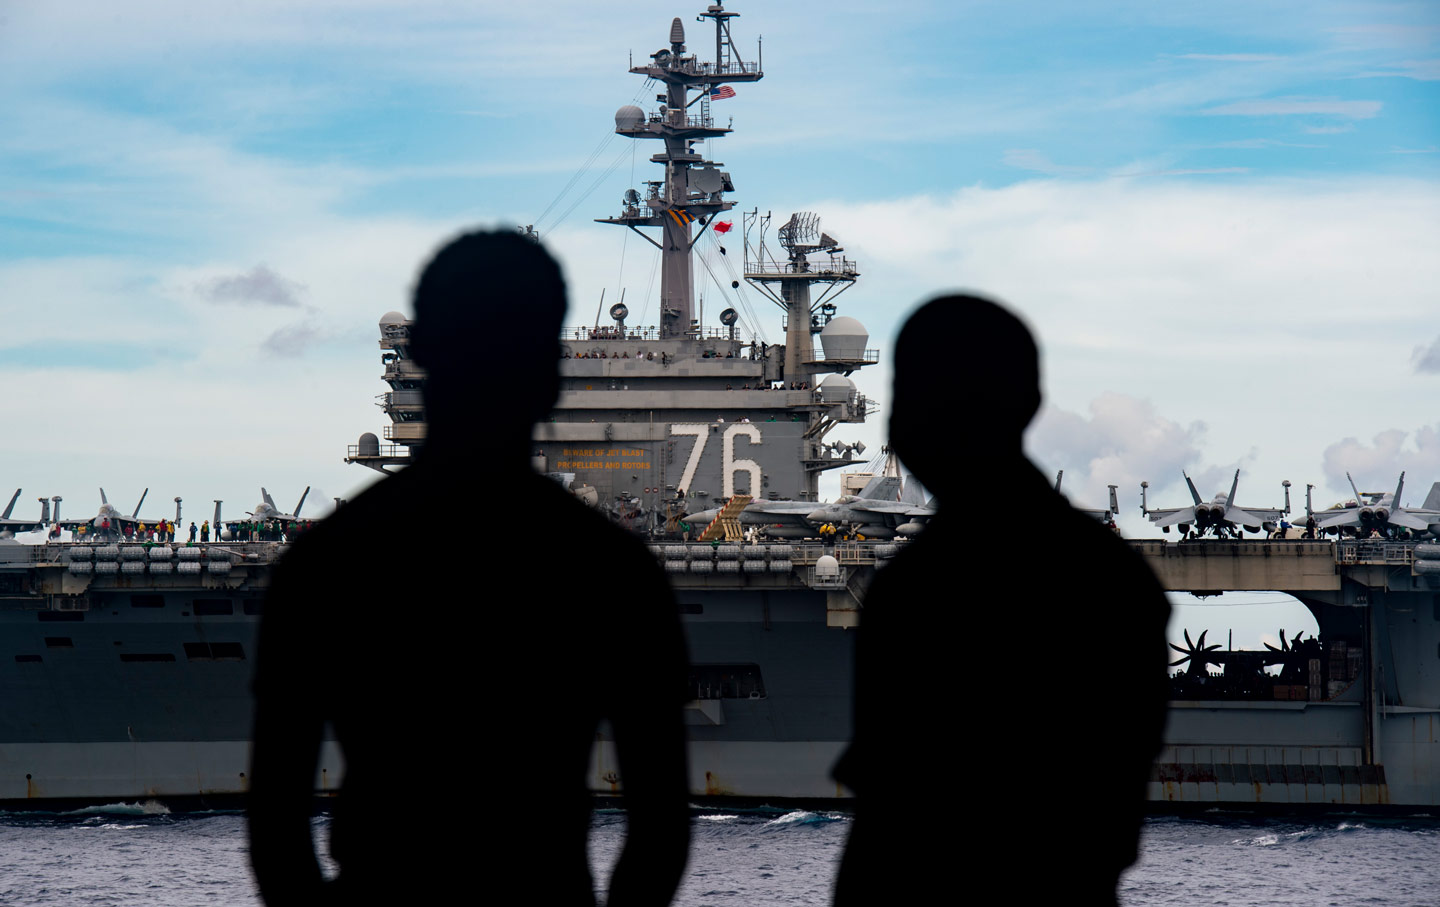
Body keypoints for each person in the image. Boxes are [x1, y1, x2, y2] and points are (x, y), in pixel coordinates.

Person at [249, 230, 691, 906]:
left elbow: (274, 829)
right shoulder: (615, 571)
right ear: (549, 373)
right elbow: (661, 827)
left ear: (419, 354)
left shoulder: (325, 561)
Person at [831, 295, 1170, 907]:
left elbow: (883, 832)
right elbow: (1111, 823)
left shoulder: (912, 595)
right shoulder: (1116, 582)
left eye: (922, 399)